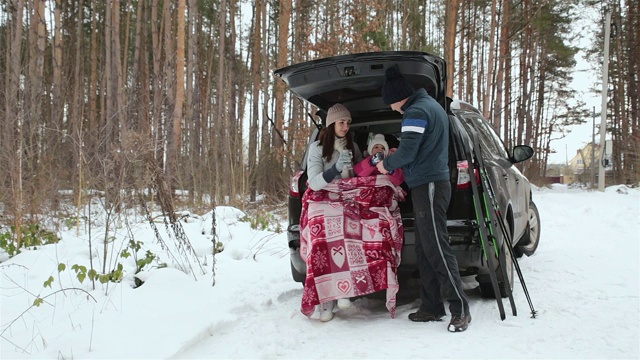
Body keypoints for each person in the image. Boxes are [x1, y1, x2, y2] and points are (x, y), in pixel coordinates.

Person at [375, 65, 471, 332]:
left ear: (396, 96)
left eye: (389, 102)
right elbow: (418, 146)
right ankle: (431, 306)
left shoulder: (415, 111)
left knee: (437, 247)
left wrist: (388, 164)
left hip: (429, 184)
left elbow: (408, 152)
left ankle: (459, 308)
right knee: (425, 248)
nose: (391, 108)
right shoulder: (429, 105)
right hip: (428, 183)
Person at [304, 103, 363, 321]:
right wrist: (336, 169)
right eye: (341, 122)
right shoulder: (317, 149)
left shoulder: (352, 147)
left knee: (347, 237)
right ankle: (325, 301)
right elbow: (315, 182)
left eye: (348, 122)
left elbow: (355, 181)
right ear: (331, 124)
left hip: (345, 200)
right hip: (321, 201)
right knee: (323, 245)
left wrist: (351, 170)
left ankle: (344, 291)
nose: (345, 126)